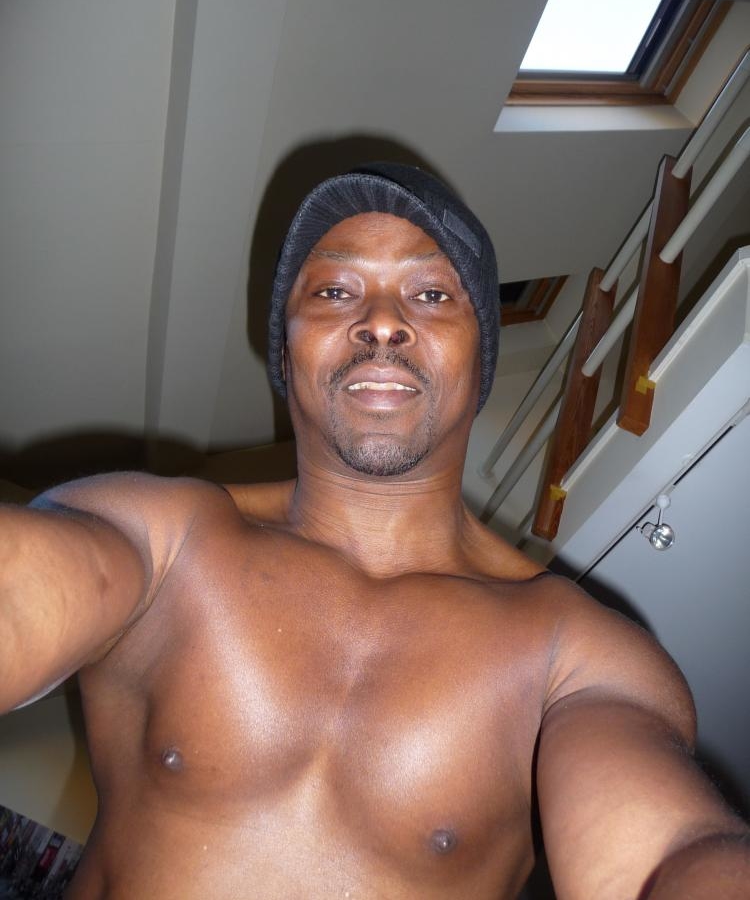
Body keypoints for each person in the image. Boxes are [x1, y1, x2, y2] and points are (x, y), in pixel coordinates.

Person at [1, 162, 748, 899]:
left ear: (479, 357)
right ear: (285, 348)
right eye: (334, 291)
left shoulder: (577, 652)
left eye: (431, 294)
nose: (383, 322)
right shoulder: (159, 536)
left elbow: (672, 854)